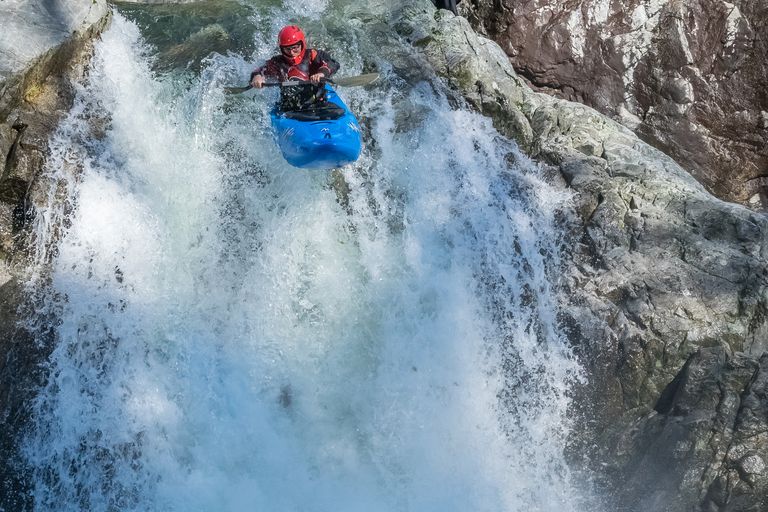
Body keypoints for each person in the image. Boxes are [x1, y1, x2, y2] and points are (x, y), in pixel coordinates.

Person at [250, 25, 340, 112]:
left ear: (302, 44)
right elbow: (260, 70)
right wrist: (257, 77)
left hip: (318, 102)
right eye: (287, 49)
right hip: (289, 108)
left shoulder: (312, 55)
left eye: (295, 48)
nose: (292, 53)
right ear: (282, 49)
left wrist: (321, 73)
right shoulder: (277, 62)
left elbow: (332, 63)